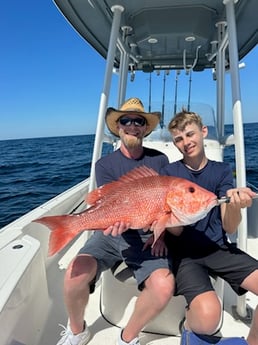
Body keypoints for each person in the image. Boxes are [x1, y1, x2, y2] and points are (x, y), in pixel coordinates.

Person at [56, 97, 175, 345]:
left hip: (146, 237)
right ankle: (78, 331)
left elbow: (164, 205)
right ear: (118, 127)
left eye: (138, 121)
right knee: (73, 274)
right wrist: (101, 222)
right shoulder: (104, 164)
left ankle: (127, 337)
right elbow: (106, 205)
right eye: (126, 120)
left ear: (145, 127)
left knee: (164, 287)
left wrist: (159, 235)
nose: (132, 125)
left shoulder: (160, 160)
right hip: (111, 233)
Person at [160, 109, 258, 344]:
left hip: (218, 249)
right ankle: (189, 320)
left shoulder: (222, 170)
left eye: (190, 134)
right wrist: (171, 219)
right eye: (179, 139)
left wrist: (235, 204)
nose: (186, 142)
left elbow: (230, 227)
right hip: (185, 256)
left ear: (203, 132)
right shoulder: (169, 173)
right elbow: (171, 229)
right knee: (208, 319)